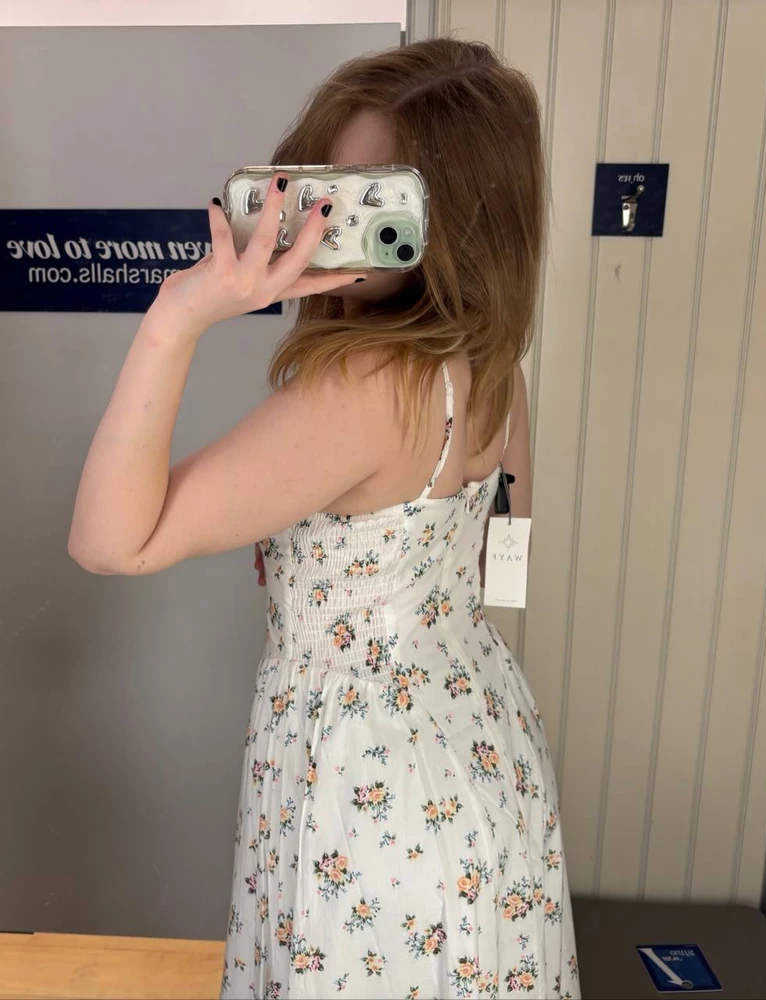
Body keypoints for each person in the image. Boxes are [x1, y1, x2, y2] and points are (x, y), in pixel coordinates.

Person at [68, 37, 579, 1000]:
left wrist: (177, 316)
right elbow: (493, 558)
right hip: (477, 744)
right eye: (323, 186)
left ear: (455, 221)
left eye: (368, 200)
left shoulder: (369, 383)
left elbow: (107, 541)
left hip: (369, 779)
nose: (323, 222)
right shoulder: (496, 364)